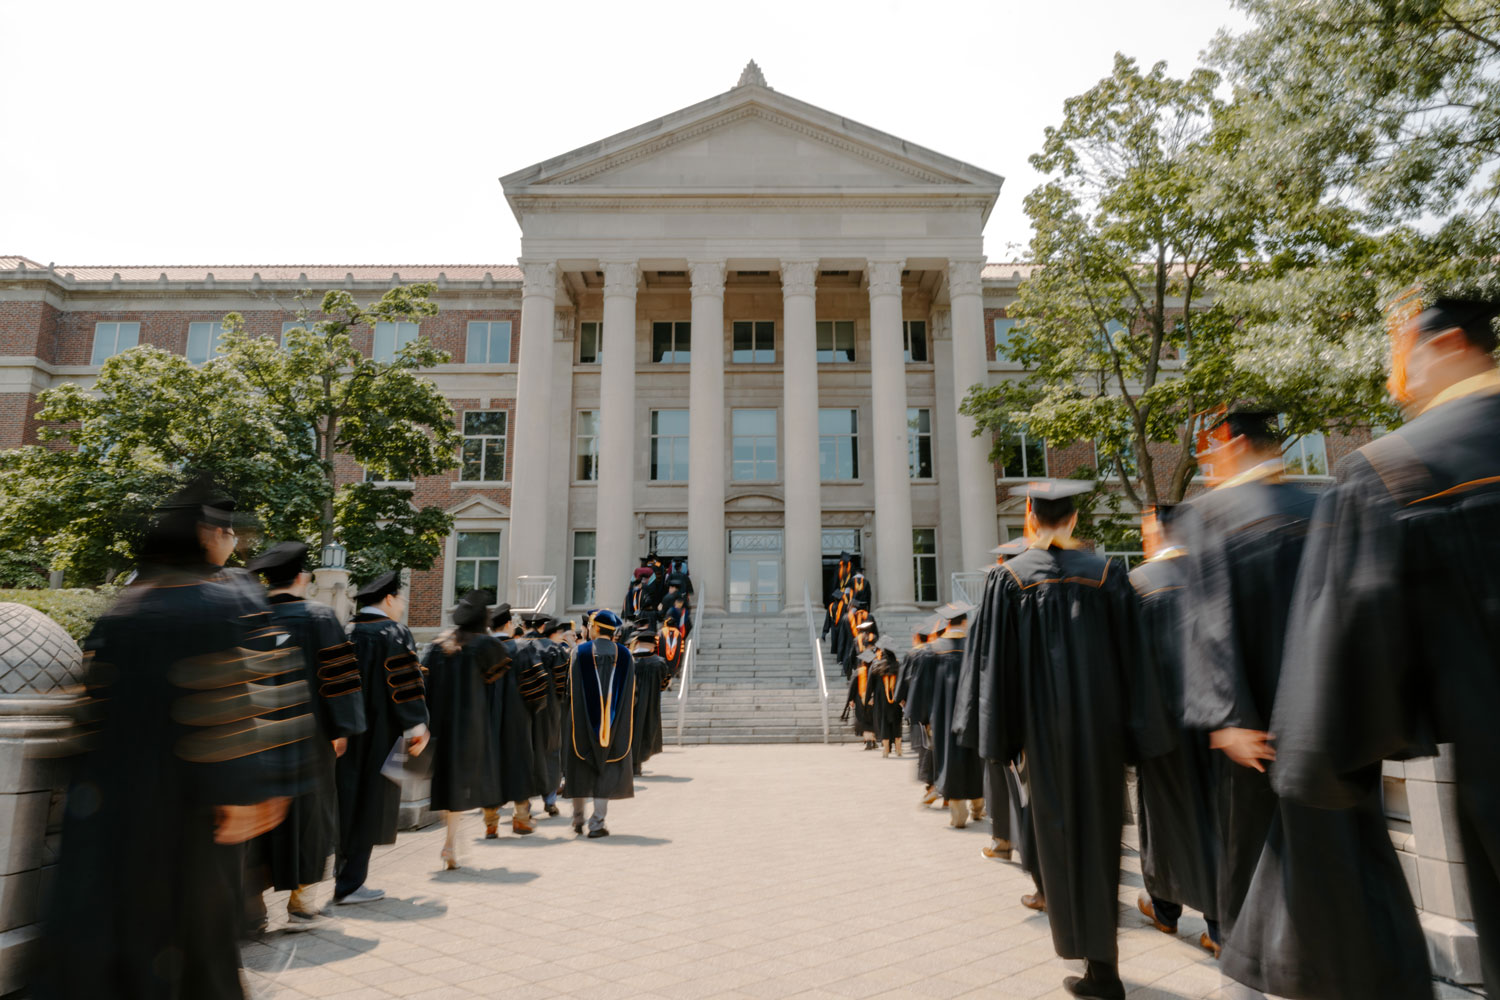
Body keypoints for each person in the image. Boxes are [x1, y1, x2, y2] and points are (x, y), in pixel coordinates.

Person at [1271, 296, 1500, 993]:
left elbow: (1355, 642)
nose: (1401, 379)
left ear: (1450, 343)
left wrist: (1317, 767)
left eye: (1409, 354)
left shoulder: (1403, 468)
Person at [1183, 407, 1429, 999]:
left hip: (1259, 729)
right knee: (1342, 854)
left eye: (1207, 449)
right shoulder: (1321, 504)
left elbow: (1210, 623)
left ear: (1231, 442)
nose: (1206, 462)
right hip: (1331, 720)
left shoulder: (1211, 517)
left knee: (1253, 860)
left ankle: (1263, 980)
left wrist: (1227, 715)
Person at [39, 478, 309, 1000]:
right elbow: (244, 700)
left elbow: (92, 706)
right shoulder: (225, 599)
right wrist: (260, 787)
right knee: (192, 943)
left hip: (111, 806)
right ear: (205, 535)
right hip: (191, 808)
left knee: (113, 936)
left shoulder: (126, 606)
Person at [954, 480, 1170, 1000]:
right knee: (1101, 843)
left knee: (1054, 840)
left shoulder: (1009, 580)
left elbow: (993, 665)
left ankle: (1084, 954)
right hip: (1102, 739)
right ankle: (1104, 966)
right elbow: (1138, 660)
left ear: (1029, 517)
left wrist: (1000, 739)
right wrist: (1137, 734)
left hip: (1041, 740)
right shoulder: (1108, 575)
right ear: (1075, 520)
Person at [244, 541, 366, 931]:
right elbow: (339, 680)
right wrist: (341, 728)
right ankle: (300, 903)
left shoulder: (248, 618)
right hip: (309, 739)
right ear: (304, 578)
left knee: (256, 818)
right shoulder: (320, 618)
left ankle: (252, 907)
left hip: (255, 738)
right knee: (310, 817)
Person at [1126, 504, 1220, 956]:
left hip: (1161, 725)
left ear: (1155, 531)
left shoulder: (1139, 584)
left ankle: (1165, 909)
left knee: (1162, 818)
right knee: (1218, 818)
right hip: (1219, 720)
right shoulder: (1215, 573)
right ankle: (1220, 927)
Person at [335, 570, 429, 905]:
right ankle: (351, 884)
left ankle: (340, 877)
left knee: (344, 801)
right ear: (388, 599)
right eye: (401, 599)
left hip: (342, 734)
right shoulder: (394, 633)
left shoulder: (343, 630)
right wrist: (417, 725)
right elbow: (405, 685)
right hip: (380, 734)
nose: (402, 606)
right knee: (370, 804)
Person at [424, 589, 508, 870]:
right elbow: (495, 676)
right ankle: (450, 843)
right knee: (460, 785)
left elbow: (425, 683)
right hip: (470, 724)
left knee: (447, 783)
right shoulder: (486, 645)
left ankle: (451, 841)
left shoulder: (438, 644)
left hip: (439, 723)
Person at [904, 602, 986, 829]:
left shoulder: (933, 650)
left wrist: (923, 718)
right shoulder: (975, 648)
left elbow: (921, 688)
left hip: (943, 717)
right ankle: (978, 804)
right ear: (965, 621)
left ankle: (957, 808)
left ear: (947, 622)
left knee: (949, 759)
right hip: (974, 716)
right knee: (975, 759)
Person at [972, 537, 1027, 862]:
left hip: (1003, 710)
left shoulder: (989, 614)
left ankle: (1004, 840)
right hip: (1046, 713)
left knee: (1002, 775)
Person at [564, 609, 637, 837]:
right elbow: (630, 695)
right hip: (614, 725)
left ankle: (577, 819)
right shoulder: (625, 655)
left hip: (582, 722)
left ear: (595, 629)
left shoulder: (579, 652)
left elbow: (569, 690)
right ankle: (597, 824)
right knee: (605, 768)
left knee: (580, 765)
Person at [483, 610, 549, 837]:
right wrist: (533, 710)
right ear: (509, 624)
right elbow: (538, 687)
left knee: (490, 767)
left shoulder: (478, 651)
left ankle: (490, 823)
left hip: (485, 721)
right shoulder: (523, 648)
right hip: (518, 719)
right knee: (520, 764)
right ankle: (521, 819)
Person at [899, 618, 942, 806]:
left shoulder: (913, 655)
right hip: (942, 708)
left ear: (916, 637)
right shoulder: (939, 652)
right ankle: (946, 792)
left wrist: (904, 703)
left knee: (925, 749)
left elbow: (903, 685)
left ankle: (931, 786)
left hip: (921, 710)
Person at [626, 623, 673, 775]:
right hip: (650, 705)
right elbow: (664, 684)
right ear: (653, 645)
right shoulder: (659, 663)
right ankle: (637, 764)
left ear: (637, 642)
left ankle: (628, 763)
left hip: (629, 705)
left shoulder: (628, 660)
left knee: (628, 732)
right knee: (645, 731)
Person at [867, 636, 904, 758]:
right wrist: (905, 699)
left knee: (883, 722)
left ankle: (886, 748)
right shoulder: (899, 665)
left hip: (881, 700)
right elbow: (905, 683)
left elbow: (869, 685)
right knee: (897, 721)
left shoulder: (876, 665)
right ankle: (898, 748)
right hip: (897, 699)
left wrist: (868, 698)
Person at [845, 648, 877, 749]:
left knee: (864, 721)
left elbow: (852, 687)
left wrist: (851, 699)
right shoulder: (875, 671)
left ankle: (868, 741)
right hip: (872, 699)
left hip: (860, 700)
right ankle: (872, 740)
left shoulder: (858, 672)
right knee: (872, 721)